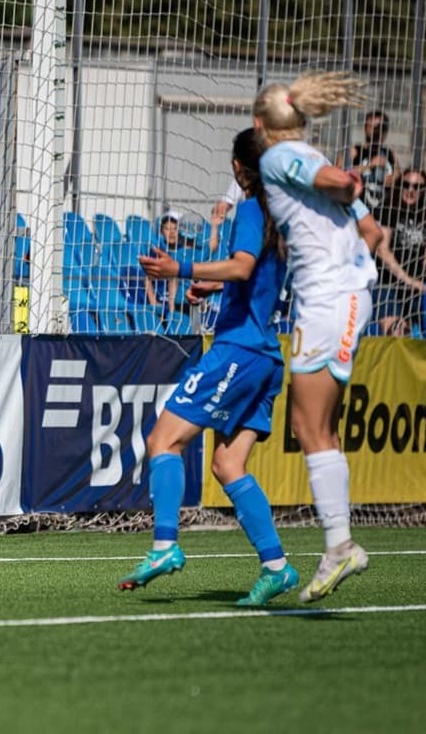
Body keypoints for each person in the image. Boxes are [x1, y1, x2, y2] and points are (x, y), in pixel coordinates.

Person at [118, 128, 297, 606]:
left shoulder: (250, 209)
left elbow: (240, 266)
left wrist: (181, 271)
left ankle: (164, 546)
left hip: (238, 351)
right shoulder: (283, 214)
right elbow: (256, 279)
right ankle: (277, 566)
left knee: (162, 440)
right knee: (227, 463)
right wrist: (215, 291)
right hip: (267, 355)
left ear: (239, 168)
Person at [254, 71, 384, 603]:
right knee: (316, 426)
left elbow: (333, 178)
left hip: (328, 299)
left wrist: (345, 181)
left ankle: (341, 545)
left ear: (261, 124)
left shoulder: (278, 157)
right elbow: (372, 231)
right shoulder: (300, 160)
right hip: (344, 295)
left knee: (309, 426)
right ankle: (339, 545)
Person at [373, 169, 426, 336]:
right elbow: (383, 251)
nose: (411, 190)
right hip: (387, 284)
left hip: (414, 289)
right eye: (406, 185)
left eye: (417, 186)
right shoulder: (387, 209)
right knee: (395, 333)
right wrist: (408, 280)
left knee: (411, 335)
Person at [338, 109, 399, 211]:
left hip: (382, 211)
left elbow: (399, 175)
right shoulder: (355, 150)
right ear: (366, 128)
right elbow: (339, 172)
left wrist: (394, 178)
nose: (378, 131)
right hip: (356, 208)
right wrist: (369, 166)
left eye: (382, 128)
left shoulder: (390, 153)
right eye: (374, 127)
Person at [144, 211, 182, 313]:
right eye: (167, 229)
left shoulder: (185, 251)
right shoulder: (156, 252)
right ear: (161, 231)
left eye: (175, 229)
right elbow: (147, 278)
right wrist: (153, 301)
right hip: (161, 299)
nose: (172, 233)